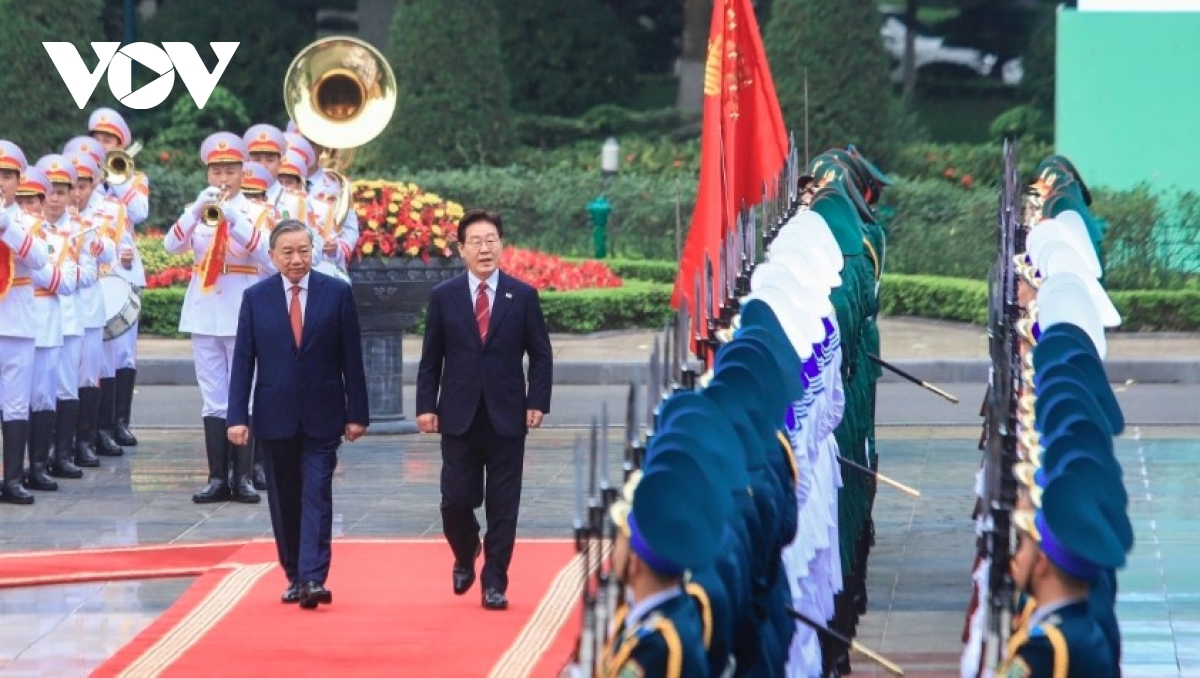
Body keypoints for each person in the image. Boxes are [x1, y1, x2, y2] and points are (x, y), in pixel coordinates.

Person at [227, 219, 368, 610]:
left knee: (317, 495)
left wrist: (358, 413)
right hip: (275, 416)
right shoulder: (256, 298)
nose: (296, 259)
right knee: (285, 500)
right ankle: (293, 574)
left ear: (314, 252)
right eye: (287, 252)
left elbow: (351, 359)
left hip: (324, 415)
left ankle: (312, 578)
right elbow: (243, 360)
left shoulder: (337, 293)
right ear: (272, 256)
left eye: (303, 251)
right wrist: (237, 416)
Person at [416, 208, 553, 611]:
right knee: (455, 501)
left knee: (503, 506)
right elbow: (431, 359)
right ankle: (464, 551)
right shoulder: (444, 297)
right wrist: (426, 406)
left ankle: (495, 582)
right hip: (457, 415)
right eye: (475, 241)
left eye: (491, 239)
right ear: (461, 249)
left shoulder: (522, 296)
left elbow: (540, 355)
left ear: (502, 245)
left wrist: (537, 401)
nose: (484, 248)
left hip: (507, 416)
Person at [164, 132, 275, 504]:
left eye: (230, 170)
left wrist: (235, 220)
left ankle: (242, 477)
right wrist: (195, 211)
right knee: (213, 397)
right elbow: (171, 245)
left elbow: (270, 259)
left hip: (243, 311)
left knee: (242, 393)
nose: (223, 178)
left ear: (243, 172)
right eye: (217, 171)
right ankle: (217, 477)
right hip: (204, 311)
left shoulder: (257, 212)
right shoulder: (200, 210)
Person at [88, 108, 150, 451]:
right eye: (96, 137)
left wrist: (116, 178)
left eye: (107, 139)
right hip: (90, 270)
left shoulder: (133, 178)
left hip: (123, 273)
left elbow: (140, 212)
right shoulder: (81, 179)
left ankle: (119, 423)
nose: (100, 143)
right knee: (97, 355)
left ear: (120, 144)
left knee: (123, 353)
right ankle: (97, 427)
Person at [20, 164, 78, 493]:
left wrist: (31, 265)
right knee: (11, 401)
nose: (28, 208)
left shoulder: (56, 239)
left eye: (34, 200)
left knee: (42, 397)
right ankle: (13, 467)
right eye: (23, 200)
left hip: (44, 325)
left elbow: (65, 282)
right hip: (11, 323)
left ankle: (38, 465)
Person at [0, 141, 51, 504]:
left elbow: (38, 260)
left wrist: (5, 225)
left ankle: (14, 479)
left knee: (16, 404)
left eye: (6, 175)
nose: (1, 182)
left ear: (19, 180)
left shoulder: (30, 221)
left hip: (16, 319)